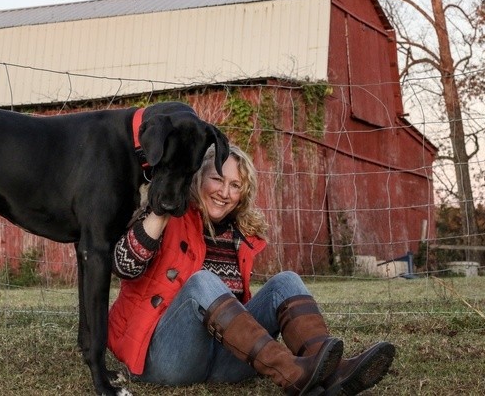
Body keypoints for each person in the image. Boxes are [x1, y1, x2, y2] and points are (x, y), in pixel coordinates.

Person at [108, 145, 395, 395]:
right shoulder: (170, 212)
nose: (224, 192)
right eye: (217, 179)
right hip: (165, 359)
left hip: (222, 362)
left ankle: (331, 372)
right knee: (201, 283)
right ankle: (291, 372)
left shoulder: (239, 234)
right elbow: (123, 266)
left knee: (286, 281)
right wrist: (160, 212)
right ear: (198, 179)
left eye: (235, 185)